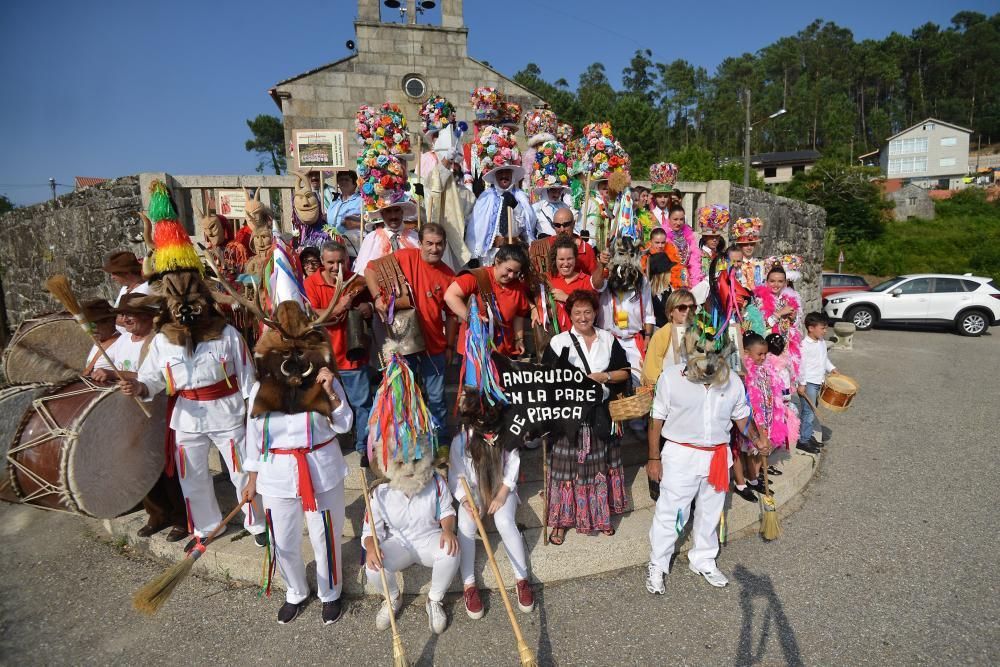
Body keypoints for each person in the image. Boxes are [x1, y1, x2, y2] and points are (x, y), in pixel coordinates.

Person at [121, 302, 266, 545]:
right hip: (186, 416)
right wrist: (139, 386)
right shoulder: (162, 340)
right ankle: (207, 528)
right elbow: (151, 377)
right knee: (192, 476)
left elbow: (247, 377)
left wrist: (253, 416)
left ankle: (258, 524)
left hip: (227, 412)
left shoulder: (227, 333)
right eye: (177, 306)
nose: (186, 311)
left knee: (241, 471)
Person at [645, 325, 770, 595]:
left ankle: (703, 560)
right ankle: (658, 563)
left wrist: (757, 438)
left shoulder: (733, 381)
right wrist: (654, 458)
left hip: (716, 455)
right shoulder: (670, 377)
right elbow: (656, 419)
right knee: (672, 512)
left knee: (711, 512)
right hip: (680, 454)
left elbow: (741, 417)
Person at [242, 361, 353, 625]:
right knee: (282, 540)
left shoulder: (324, 381)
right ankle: (295, 590)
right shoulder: (261, 387)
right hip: (276, 473)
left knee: (324, 536)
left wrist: (330, 393)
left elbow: (345, 424)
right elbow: (253, 436)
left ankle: (330, 593)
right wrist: (251, 480)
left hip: (321, 470)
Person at [93, 294, 188, 541]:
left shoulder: (158, 341)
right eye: (122, 315)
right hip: (130, 414)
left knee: (167, 466)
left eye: (129, 314)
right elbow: (109, 365)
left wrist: (116, 375)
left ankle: (181, 517)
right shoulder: (123, 341)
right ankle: (157, 513)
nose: (124, 319)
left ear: (148, 316)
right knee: (140, 466)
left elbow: (153, 375)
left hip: (157, 410)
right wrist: (101, 373)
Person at [543, 290, 632, 545]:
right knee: (564, 468)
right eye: (577, 312)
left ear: (595, 313)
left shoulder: (607, 339)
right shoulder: (559, 342)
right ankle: (559, 522)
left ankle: (601, 516)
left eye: (588, 312)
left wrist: (604, 377)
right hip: (569, 416)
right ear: (569, 314)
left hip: (600, 413)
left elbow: (624, 372)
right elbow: (547, 380)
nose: (583, 317)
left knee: (599, 467)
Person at [365, 223, 456, 444]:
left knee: (436, 398)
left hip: (434, 346)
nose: (434, 249)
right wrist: (377, 297)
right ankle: (406, 443)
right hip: (403, 343)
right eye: (429, 244)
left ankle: (441, 444)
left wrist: (450, 346)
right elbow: (370, 269)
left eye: (439, 244)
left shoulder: (448, 275)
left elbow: (453, 316)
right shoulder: (405, 256)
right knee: (403, 396)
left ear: (444, 245)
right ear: (421, 243)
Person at [363, 435, 459, 635]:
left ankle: (434, 600)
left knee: (451, 551)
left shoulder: (436, 482)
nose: (408, 468)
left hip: (430, 538)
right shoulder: (379, 492)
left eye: (414, 461)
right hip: (398, 543)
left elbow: (447, 511)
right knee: (372, 567)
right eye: (399, 463)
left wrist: (448, 530)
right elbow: (371, 531)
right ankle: (393, 598)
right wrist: (372, 548)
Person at [450, 390, 534, 620]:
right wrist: (467, 501)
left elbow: (512, 466)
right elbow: (456, 476)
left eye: (493, 432)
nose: (490, 437)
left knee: (504, 521)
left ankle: (521, 578)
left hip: (500, 487)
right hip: (473, 493)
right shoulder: (462, 441)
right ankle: (469, 585)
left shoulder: (508, 433)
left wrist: (502, 494)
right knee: (466, 526)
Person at [304, 242, 375, 463]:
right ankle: (331, 443)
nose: (336, 267)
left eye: (340, 262)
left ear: (348, 261)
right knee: (326, 403)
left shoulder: (358, 281)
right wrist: (340, 306)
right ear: (322, 262)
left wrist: (369, 308)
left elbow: (375, 303)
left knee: (361, 404)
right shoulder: (310, 283)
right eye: (330, 262)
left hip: (354, 357)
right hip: (324, 360)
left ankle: (363, 447)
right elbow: (313, 316)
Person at [445, 244, 531, 359]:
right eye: (509, 270)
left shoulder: (517, 287)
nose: (511, 276)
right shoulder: (478, 277)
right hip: (475, 351)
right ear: (497, 261)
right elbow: (450, 296)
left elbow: (518, 315)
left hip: (504, 353)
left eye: (516, 272)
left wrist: (519, 339)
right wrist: (472, 318)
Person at [466, 126, 536, 266]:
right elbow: (475, 228)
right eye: (500, 172)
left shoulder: (520, 197)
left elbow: (529, 224)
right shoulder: (485, 197)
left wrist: (516, 207)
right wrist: (474, 254)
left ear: (512, 175)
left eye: (507, 172)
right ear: (494, 175)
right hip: (492, 255)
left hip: (515, 254)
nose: (504, 176)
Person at [424, 128, 475, 270]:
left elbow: (472, 225)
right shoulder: (432, 179)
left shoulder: (468, 194)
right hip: (438, 243)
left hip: (459, 244)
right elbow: (436, 182)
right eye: (450, 162)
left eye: (456, 163)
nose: (453, 167)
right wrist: (446, 161)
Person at [542, 236, 606, 331]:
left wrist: (567, 298)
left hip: (581, 338)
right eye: (561, 259)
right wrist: (534, 309)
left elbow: (591, 311)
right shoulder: (547, 278)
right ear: (555, 260)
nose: (566, 263)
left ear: (575, 259)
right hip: (555, 339)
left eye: (569, 259)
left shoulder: (587, 281)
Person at [753, 264, 803, 385]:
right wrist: (779, 313)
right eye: (772, 281)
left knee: (785, 390)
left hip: (785, 348)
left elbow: (796, 326)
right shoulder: (759, 300)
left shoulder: (789, 299)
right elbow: (759, 327)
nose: (776, 284)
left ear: (785, 283)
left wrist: (793, 318)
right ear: (766, 282)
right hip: (768, 351)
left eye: (780, 281)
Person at [798, 312, 838, 453]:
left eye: (825, 328)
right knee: (808, 412)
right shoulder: (804, 345)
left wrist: (832, 368)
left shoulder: (821, 342)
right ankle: (803, 440)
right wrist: (802, 384)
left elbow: (824, 359)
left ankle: (807, 436)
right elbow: (801, 366)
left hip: (817, 381)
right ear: (811, 328)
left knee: (811, 410)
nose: (825, 331)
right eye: (822, 328)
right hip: (808, 382)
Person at [640, 289, 696, 386]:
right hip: (668, 390)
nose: (687, 311)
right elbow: (651, 373)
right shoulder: (661, 335)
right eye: (682, 307)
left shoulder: (699, 333)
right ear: (671, 311)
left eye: (692, 307)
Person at [352, 195, 418, 276]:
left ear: (402, 212)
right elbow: (361, 272)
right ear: (382, 214)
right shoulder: (372, 239)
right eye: (388, 211)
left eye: (396, 210)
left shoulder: (415, 237)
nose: (393, 216)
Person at [102, 250, 150, 334]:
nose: (112, 277)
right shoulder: (125, 289)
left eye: (114, 273)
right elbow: (117, 314)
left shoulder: (146, 288)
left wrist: (110, 317)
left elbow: (133, 321)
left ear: (127, 273)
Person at [663, 204, 703, 290]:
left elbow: (694, 259)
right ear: (669, 219)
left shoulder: (689, 236)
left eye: (681, 219)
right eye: (675, 219)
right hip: (669, 278)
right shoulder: (662, 236)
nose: (678, 222)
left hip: (685, 278)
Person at [326, 170, 363, 258]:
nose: (343, 182)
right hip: (333, 245)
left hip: (352, 246)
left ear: (354, 183)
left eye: (346, 180)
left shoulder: (361, 201)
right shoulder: (335, 201)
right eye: (341, 179)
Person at [80, 299, 121, 375]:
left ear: (111, 321)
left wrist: (112, 374)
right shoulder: (98, 342)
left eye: (94, 324)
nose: (91, 329)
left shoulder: (122, 343)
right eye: (88, 325)